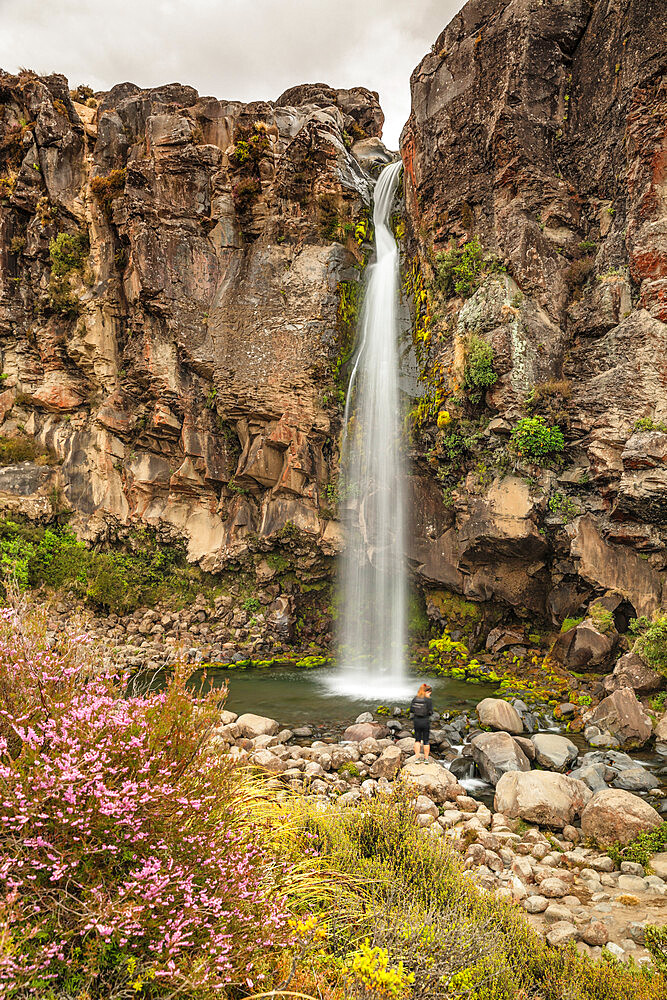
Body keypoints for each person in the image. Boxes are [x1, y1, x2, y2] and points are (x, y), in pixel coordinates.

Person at [410, 683, 433, 760]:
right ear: (427, 692)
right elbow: (431, 712)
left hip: (416, 721)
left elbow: (411, 710)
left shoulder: (415, 699)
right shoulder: (428, 700)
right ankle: (426, 759)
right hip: (425, 721)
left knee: (417, 740)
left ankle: (417, 758)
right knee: (426, 740)